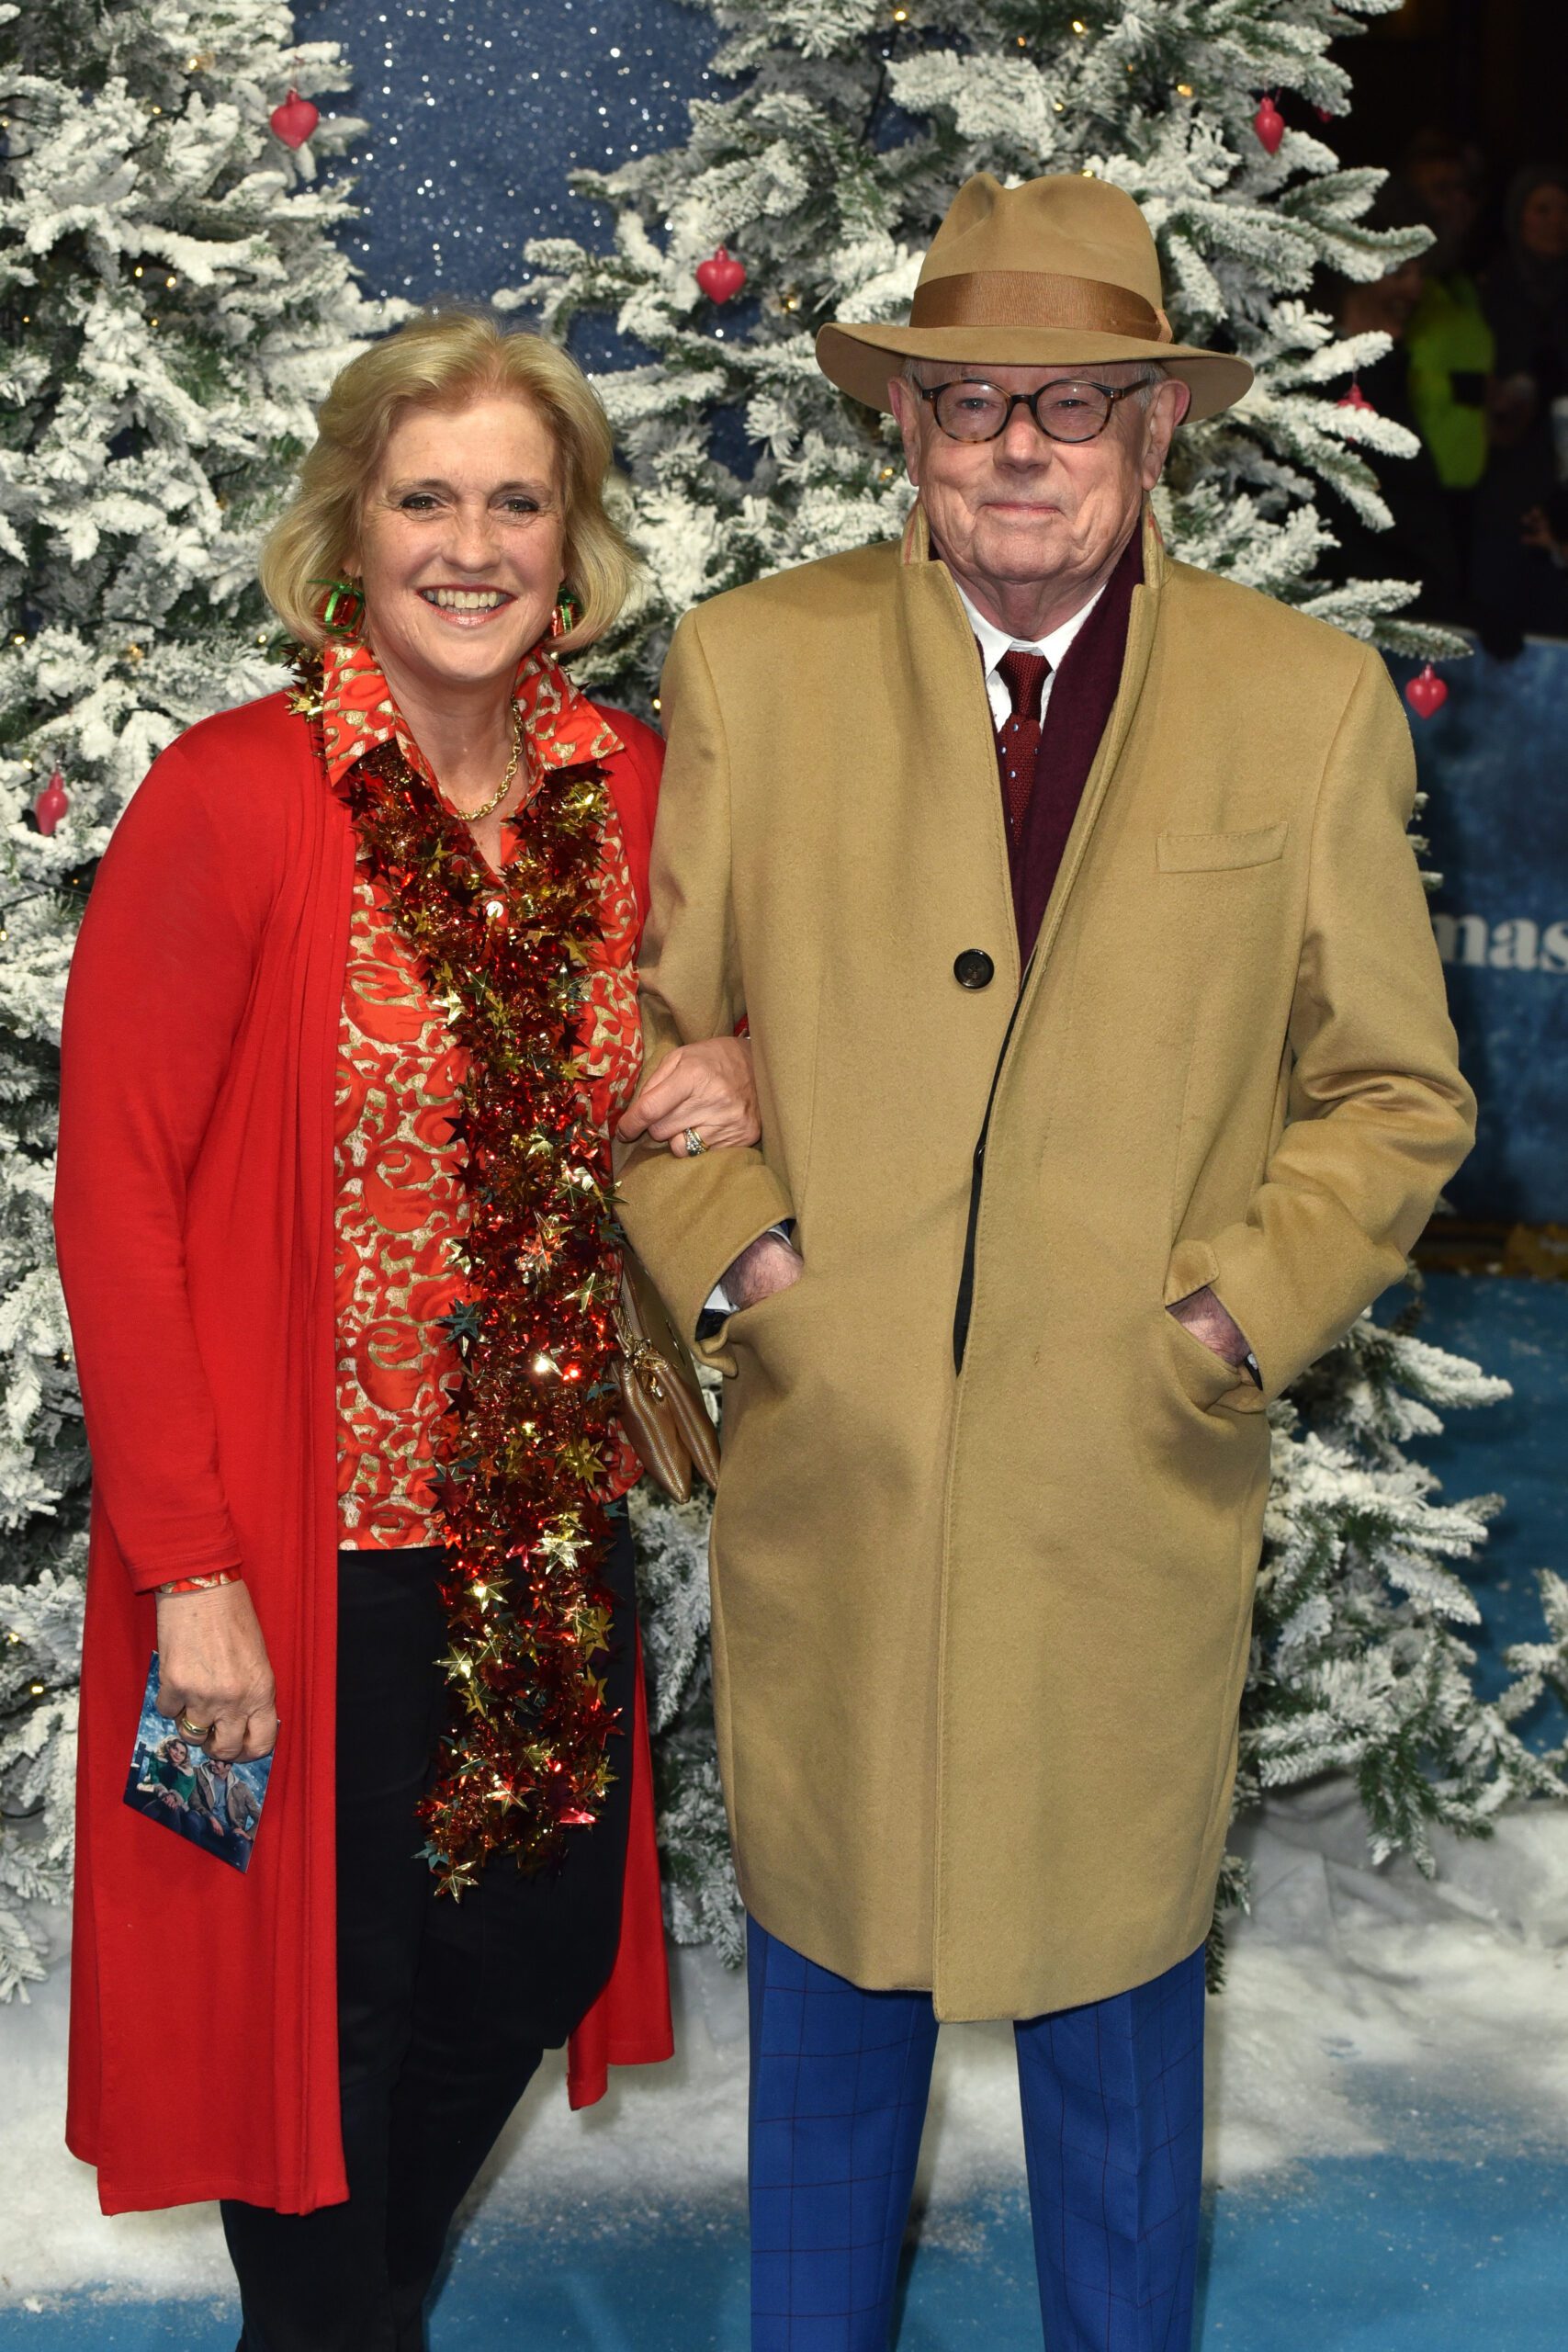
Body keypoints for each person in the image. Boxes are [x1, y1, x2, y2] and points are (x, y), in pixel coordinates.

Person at [616, 173, 1475, 2352]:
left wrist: (1223, 1322)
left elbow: (1389, 1092)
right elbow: (634, 1015)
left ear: (1153, 429)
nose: (1015, 444)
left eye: (1068, 403)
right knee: (822, 2056)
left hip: (1119, 1490)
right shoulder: (753, 665)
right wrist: (748, 1272)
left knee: (1110, 2054)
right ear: (901, 429)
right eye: (967, 400)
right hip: (844, 1486)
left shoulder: (1294, 706)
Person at [55, 309, 758, 2350]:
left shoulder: (620, 788)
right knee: (318, 1990)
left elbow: (765, 1001)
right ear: (348, 526)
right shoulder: (235, 796)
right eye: (424, 495)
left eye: (514, 501)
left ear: (575, 538)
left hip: (535, 1513)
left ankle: (355, 2303)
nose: (472, 543)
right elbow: (118, 1196)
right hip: (284, 1535)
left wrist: (742, 1063)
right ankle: (334, 2325)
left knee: (525, 1950)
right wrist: (191, 1567)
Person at [1474, 164, 1568, 646]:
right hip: (1497, 480)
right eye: (1543, 209)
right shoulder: (1489, 287)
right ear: (1519, 217)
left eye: (1564, 210)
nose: (1556, 221)